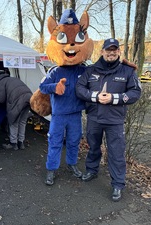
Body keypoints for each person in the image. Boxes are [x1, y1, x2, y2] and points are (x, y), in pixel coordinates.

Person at [33, 9, 94, 186]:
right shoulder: (55, 71)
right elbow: (42, 86)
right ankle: (51, 170)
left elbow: (101, 72)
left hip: (75, 114)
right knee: (55, 142)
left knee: (74, 141)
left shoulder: (83, 70)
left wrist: (124, 68)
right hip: (59, 115)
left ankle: (72, 165)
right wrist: (55, 87)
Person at [76, 38, 142, 201]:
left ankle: (118, 184)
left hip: (115, 120)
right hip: (94, 118)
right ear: (102, 51)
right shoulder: (90, 71)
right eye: (108, 49)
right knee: (93, 147)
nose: (111, 52)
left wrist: (114, 98)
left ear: (119, 52)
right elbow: (79, 88)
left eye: (114, 50)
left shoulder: (127, 72)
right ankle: (92, 170)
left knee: (116, 153)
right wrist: (95, 96)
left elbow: (135, 93)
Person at [0, 72, 32, 150]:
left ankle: (13, 143)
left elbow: (1, 99)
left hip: (18, 100)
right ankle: (21, 142)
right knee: (22, 122)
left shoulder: (0, 84)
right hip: (29, 98)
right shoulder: (12, 79)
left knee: (13, 122)